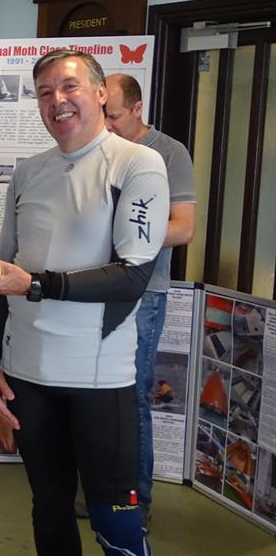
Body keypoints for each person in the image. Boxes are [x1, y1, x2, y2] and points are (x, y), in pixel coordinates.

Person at [0, 50, 169, 556]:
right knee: (48, 507)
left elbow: (130, 277)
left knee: (114, 514)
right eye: (45, 91)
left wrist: (34, 284)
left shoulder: (139, 164)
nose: (58, 100)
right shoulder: (28, 173)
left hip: (100, 378)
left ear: (100, 94)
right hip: (29, 375)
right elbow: (3, 271)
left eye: (69, 87)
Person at [105, 72, 197, 525]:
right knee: (97, 394)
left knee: (132, 396)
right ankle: (105, 491)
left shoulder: (168, 153)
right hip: (94, 289)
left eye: (114, 116)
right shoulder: (100, 151)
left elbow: (183, 227)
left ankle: (134, 501)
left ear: (137, 108)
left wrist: (128, 236)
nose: (107, 125)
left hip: (144, 293)